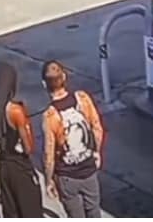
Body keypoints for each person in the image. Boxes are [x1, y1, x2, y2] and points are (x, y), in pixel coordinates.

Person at [42, 60, 104, 218]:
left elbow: (49, 155)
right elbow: (97, 128)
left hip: (67, 177)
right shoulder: (82, 98)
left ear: (44, 84)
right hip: (88, 170)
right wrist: (96, 152)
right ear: (64, 77)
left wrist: (49, 180)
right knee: (94, 211)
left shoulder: (50, 116)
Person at [0, 61, 43, 218]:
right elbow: (28, 147)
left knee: (11, 212)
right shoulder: (16, 111)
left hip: (3, 164)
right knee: (32, 211)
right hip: (20, 167)